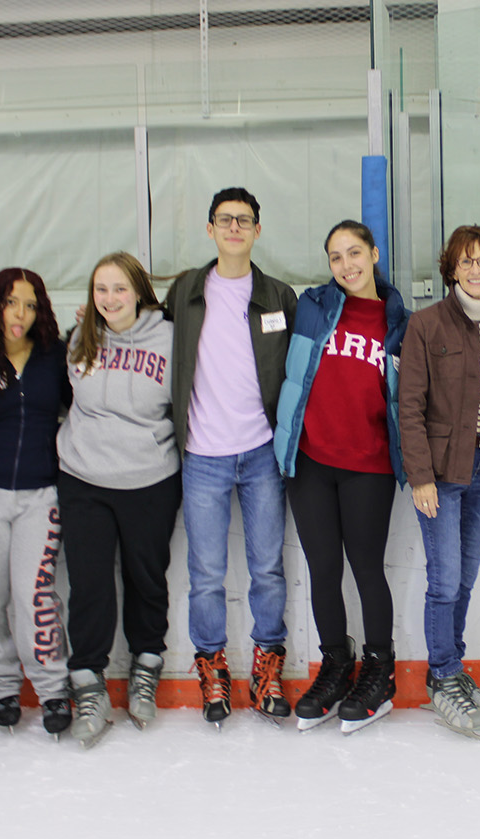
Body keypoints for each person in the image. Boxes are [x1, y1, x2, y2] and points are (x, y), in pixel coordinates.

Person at [166, 188, 299, 726]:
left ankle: (267, 669)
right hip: (203, 454)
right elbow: (145, 328)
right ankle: (212, 668)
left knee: (268, 568)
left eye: (245, 220)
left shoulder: (279, 295)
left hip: (262, 450)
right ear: (210, 228)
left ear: (258, 230)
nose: (235, 228)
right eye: (226, 219)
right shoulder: (185, 290)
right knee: (206, 573)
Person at [275, 220, 410, 734]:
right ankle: (335, 666)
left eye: (355, 253)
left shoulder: (400, 322)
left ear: (374, 253)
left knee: (366, 568)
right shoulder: (311, 307)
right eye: (336, 257)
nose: (347, 265)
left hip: (369, 466)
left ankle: (379, 672)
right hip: (309, 461)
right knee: (323, 567)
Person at [398, 225, 480, 739]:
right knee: (445, 580)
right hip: (440, 474)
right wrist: (420, 478)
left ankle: (447, 668)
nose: (476, 270)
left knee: (466, 579)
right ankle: (444, 675)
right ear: (451, 269)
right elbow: (408, 407)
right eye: (466, 261)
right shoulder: (426, 325)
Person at [57, 252, 181, 746]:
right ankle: (87, 682)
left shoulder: (170, 339)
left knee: (146, 579)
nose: (109, 299)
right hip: (84, 477)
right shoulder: (82, 337)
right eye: (100, 290)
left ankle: (145, 667)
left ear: (139, 292)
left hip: (150, 477)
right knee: (89, 586)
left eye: (119, 289)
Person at [0, 268, 73, 737]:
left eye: (29, 304)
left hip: (40, 493)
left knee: (35, 596)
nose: (21, 314)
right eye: (11, 303)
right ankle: (1, 686)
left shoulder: (55, 356)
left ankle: (53, 689)